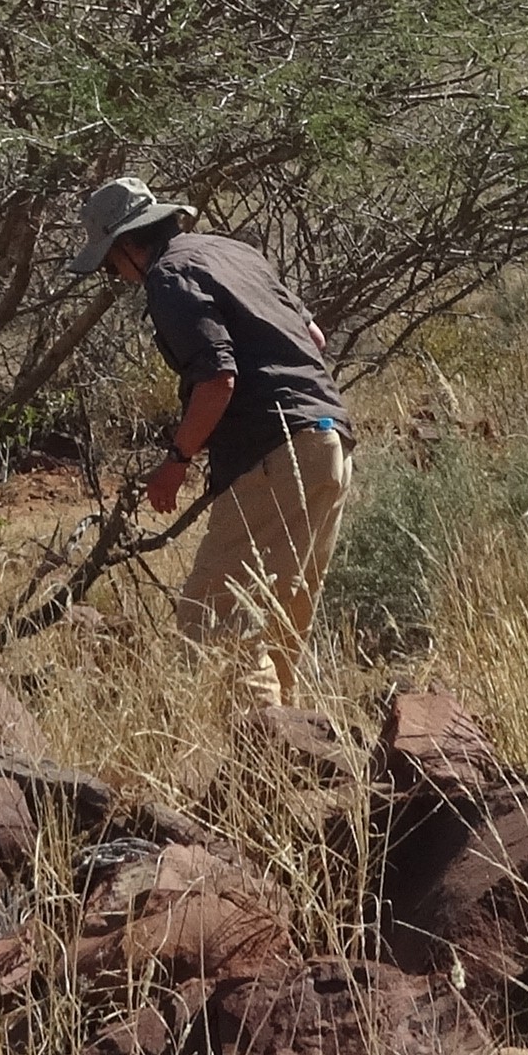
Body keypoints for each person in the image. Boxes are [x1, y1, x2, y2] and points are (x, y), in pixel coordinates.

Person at [78, 174, 355, 708]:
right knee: (280, 613)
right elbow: (315, 339)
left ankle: (257, 757)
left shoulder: (169, 277)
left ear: (129, 244)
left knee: (213, 615)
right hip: (329, 443)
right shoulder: (233, 252)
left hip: (275, 452)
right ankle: (287, 755)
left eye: (112, 262)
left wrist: (177, 460)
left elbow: (217, 380)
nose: (116, 275)